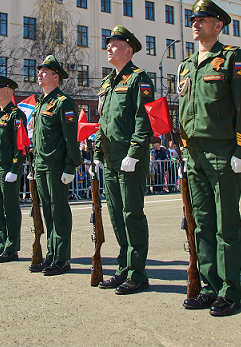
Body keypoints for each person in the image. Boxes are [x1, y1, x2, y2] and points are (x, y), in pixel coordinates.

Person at [177, 0, 241, 317]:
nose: (195, 24)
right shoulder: (186, 65)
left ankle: (230, 291)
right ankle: (209, 287)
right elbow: (184, 110)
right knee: (202, 225)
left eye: (203, 19)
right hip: (194, 154)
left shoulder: (233, 58)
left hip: (224, 152)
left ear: (219, 25)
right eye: (193, 19)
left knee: (226, 225)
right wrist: (184, 148)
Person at [93, 25, 155, 295]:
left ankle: (138, 273)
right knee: (116, 215)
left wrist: (134, 152)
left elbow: (144, 121)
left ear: (129, 50)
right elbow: (102, 122)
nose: (109, 48)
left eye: (115, 44)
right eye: (108, 44)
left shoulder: (139, 79)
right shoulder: (108, 82)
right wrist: (97, 152)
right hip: (109, 158)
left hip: (130, 159)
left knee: (132, 215)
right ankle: (123, 268)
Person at [30, 55, 82, 275]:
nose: (40, 74)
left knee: (59, 211)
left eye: (45, 71)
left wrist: (71, 166)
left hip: (57, 166)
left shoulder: (64, 102)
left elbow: (71, 138)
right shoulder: (40, 103)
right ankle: (51, 255)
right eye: (39, 70)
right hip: (41, 165)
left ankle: (62, 258)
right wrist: (33, 165)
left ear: (56, 76)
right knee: (48, 212)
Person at [0, 76, 27, 263]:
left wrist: (15, 167)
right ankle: (1, 244)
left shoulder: (16, 115)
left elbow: (21, 145)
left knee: (10, 209)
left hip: (7, 169)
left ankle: (11, 247)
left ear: (8, 91)